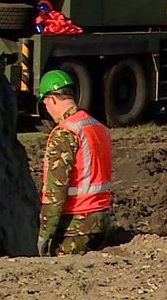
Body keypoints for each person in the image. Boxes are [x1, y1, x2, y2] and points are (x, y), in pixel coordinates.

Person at [36, 70, 113, 256]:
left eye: (45, 103)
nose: (47, 109)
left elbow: (55, 192)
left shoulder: (64, 133)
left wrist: (44, 236)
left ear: (53, 98)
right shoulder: (98, 127)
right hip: (101, 220)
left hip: (76, 224)